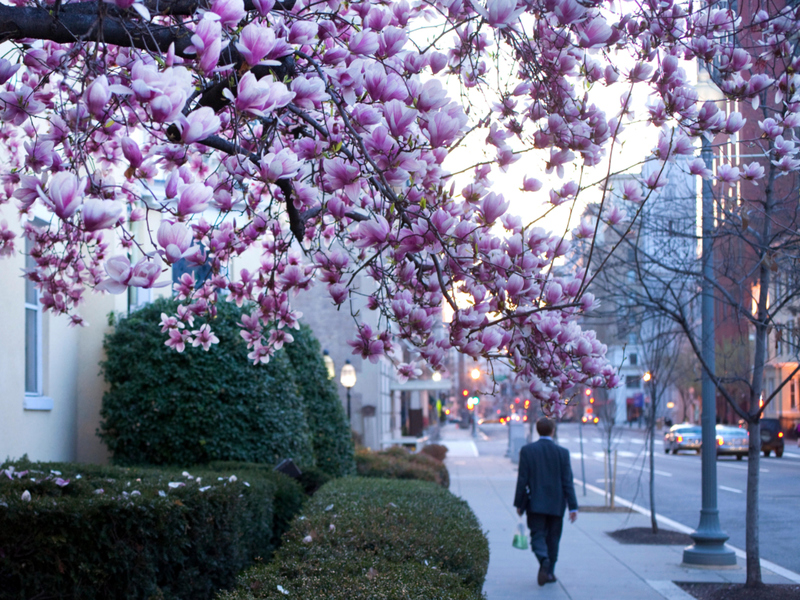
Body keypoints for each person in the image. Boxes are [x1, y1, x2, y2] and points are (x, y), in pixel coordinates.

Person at [513, 417, 579, 586]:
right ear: (553, 431)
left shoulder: (527, 451)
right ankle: (549, 572)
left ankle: (544, 560)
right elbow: (567, 482)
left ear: (537, 430)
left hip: (535, 503)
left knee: (537, 535)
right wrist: (573, 507)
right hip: (557, 504)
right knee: (553, 538)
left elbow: (522, 480)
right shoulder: (562, 453)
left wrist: (519, 503)